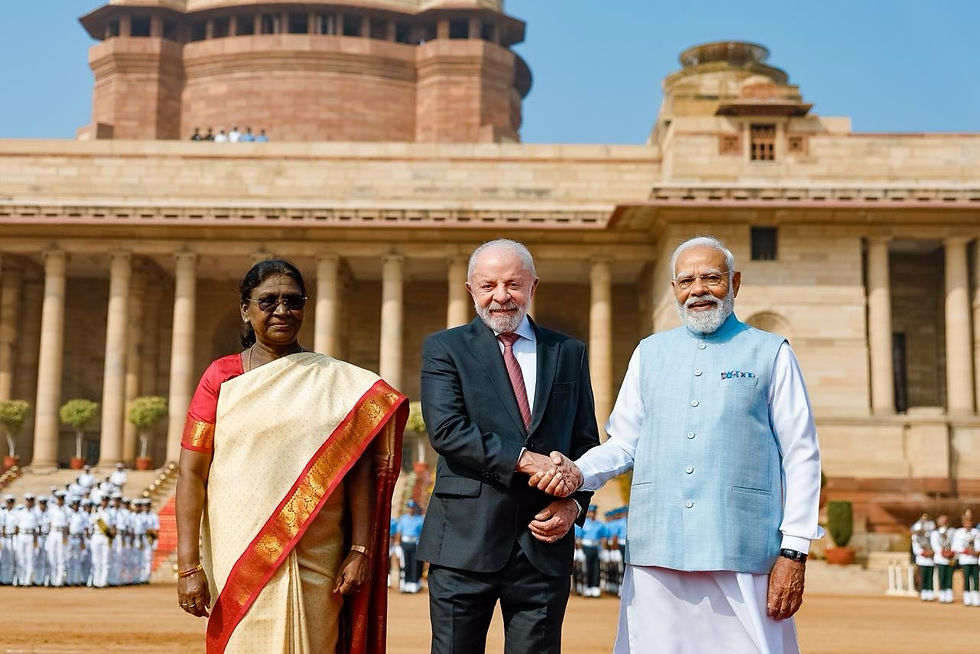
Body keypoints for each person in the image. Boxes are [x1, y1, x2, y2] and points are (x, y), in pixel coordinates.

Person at [534, 236, 823, 654]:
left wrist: (794, 551)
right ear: (674, 289)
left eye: (711, 278)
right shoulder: (649, 353)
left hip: (742, 547)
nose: (698, 290)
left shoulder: (771, 352)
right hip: (658, 548)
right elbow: (623, 443)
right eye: (686, 281)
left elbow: (801, 454)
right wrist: (579, 472)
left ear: (735, 282)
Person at [175, 259, 407, 654]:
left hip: (317, 554)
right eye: (268, 301)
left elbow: (358, 472)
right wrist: (187, 566)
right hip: (240, 552)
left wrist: (360, 550)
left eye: (293, 301)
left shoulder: (335, 383)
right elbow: (191, 474)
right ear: (246, 310)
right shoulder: (222, 378)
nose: (282, 311)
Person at [418, 238, 600, 654]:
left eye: (513, 284)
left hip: (544, 543)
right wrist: (526, 460)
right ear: (471, 290)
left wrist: (575, 505)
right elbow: (447, 430)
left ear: (533, 286)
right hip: (464, 541)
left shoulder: (568, 352)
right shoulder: (445, 348)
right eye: (488, 286)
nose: (501, 296)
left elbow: (586, 443)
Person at [394, 501, 424, 593]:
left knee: (414, 564)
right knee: (405, 564)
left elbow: (422, 533)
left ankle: (413, 584)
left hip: (415, 543)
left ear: (414, 508)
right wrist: (397, 545)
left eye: (412, 507)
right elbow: (399, 532)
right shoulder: (403, 519)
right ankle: (405, 584)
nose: (410, 509)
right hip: (405, 543)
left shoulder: (419, 519)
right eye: (409, 507)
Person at [953, 509, 978, 606]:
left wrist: (976, 551)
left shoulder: (976, 532)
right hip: (965, 560)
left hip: (975, 560)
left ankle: (976, 598)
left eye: (970, 520)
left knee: (975, 579)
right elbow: (955, 547)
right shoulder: (958, 532)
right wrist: (966, 551)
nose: (968, 523)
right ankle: (967, 598)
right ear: (963, 521)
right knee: (966, 579)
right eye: (966, 520)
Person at [578, 505, 605, 597]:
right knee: (587, 567)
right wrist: (579, 550)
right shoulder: (584, 523)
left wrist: (603, 550)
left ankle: (595, 587)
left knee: (596, 567)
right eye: (590, 512)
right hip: (586, 547)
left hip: (596, 547)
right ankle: (588, 587)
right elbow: (579, 538)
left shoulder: (599, 524)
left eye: (593, 512)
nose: (592, 514)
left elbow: (603, 538)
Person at [931, 513, 955, 604]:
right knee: (942, 577)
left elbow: (955, 543)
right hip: (940, 559)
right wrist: (943, 552)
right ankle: (942, 595)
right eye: (942, 520)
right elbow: (935, 545)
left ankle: (949, 596)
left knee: (949, 577)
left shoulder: (952, 531)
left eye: (945, 520)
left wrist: (951, 552)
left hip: (950, 558)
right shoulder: (935, 533)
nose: (944, 521)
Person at [911, 519, 936, 601]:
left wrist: (931, 552)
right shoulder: (916, 537)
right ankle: (923, 593)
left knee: (930, 578)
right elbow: (916, 550)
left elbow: (934, 546)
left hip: (931, 560)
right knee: (922, 578)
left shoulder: (930, 536)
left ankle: (930, 593)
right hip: (921, 561)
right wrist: (926, 553)